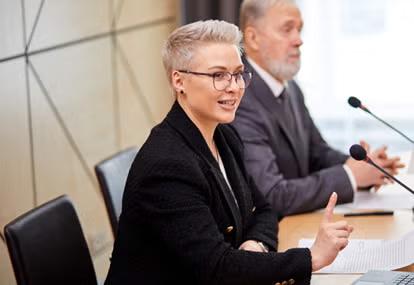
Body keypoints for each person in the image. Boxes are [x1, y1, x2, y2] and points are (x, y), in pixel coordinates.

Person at [104, 20, 353, 285]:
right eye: (218, 75)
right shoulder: (168, 165)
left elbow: (265, 209)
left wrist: (255, 246)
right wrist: (311, 258)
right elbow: (217, 267)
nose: (234, 87)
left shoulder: (225, 136)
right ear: (179, 81)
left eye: (238, 73)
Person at [232, 0, 403, 217]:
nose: (299, 40)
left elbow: (317, 152)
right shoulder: (239, 97)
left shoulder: (290, 87)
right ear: (253, 38)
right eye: (287, 29)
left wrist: (366, 166)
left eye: (299, 29)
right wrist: (351, 176)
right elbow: (272, 194)